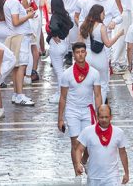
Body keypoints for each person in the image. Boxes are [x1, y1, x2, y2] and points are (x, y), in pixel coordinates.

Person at [58, 42, 104, 176]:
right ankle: (77, 173)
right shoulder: (67, 74)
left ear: (86, 53)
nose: (80, 54)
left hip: (88, 111)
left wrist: (100, 115)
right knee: (75, 144)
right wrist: (60, 119)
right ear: (74, 54)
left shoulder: (94, 73)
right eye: (77, 52)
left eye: (82, 52)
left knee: (89, 143)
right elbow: (63, 97)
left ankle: (83, 161)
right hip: (72, 111)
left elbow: (98, 95)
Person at [74, 103, 130, 185]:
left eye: (106, 117)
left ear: (111, 117)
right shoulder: (87, 131)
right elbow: (79, 149)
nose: (104, 120)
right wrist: (78, 164)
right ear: (97, 117)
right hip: (93, 177)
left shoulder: (119, 132)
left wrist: (126, 173)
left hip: (112, 177)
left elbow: (123, 153)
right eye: (101, 117)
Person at [2, 0, 38, 105]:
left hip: (17, 36)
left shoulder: (13, 0)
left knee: (17, 66)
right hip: (20, 37)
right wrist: (29, 16)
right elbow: (16, 22)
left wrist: (26, 12)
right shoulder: (13, 1)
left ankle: (17, 94)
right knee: (21, 66)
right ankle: (20, 95)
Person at [79, 3, 121, 103]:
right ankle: (99, 107)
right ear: (98, 14)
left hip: (87, 58)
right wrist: (119, 35)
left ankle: (89, 106)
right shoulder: (102, 27)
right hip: (100, 58)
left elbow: (79, 44)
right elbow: (108, 44)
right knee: (103, 84)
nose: (104, 16)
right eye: (103, 13)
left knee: (88, 84)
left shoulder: (83, 26)